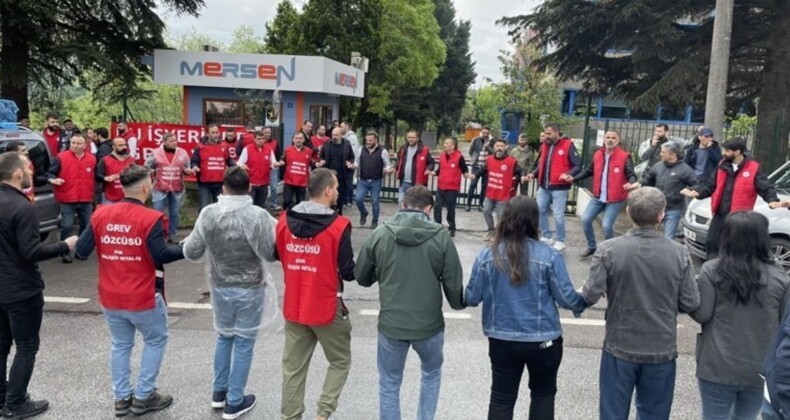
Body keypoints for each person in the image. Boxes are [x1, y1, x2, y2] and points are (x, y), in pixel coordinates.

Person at [74, 164, 185, 417]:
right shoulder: (150, 218)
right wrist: (188, 249)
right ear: (146, 187)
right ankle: (145, 396)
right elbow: (161, 254)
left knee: (120, 345)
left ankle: (121, 398)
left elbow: (81, 252)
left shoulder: (101, 213)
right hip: (143, 295)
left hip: (110, 295)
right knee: (156, 340)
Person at [581, 186, 700, 420]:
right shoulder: (679, 253)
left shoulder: (608, 249)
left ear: (629, 211)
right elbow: (691, 302)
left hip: (619, 345)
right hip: (661, 348)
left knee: (613, 413)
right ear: (661, 215)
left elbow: (589, 295)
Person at [465, 196, 587, 420]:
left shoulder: (486, 255)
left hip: (501, 339)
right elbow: (568, 299)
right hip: (543, 340)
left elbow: (472, 298)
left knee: (502, 397)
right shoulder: (550, 256)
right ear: (534, 220)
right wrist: (585, 299)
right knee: (543, 395)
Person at [355, 185, 465, 420]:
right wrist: (459, 303)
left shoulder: (380, 233)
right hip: (429, 326)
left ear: (403, 205)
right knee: (431, 374)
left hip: (391, 325)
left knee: (389, 384)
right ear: (428, 208)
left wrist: (379, 272)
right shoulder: (441, 236)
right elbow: (453, 285)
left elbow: (362, 277)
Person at [183, 166, 279, 420]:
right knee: (244, 343)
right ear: (249, 187)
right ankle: (235, 401)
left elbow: (191, 251)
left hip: (220, 285)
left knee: (224, 338)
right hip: (251, 287)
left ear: (223, 187)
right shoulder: (258, 216)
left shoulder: (208, 214)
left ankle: (219, 393)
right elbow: (271, 252)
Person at [689, 211, 790, 420]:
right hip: (759, 367)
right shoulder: (781, 277)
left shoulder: (711, 270)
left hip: (717, 365)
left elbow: (702, 314)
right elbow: (783, 324)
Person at [0, 151, 78, 419]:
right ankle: (16, 404)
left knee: (1, 345)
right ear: (18, 173)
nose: (33, 173)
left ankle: (2, 397)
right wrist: (64, 245)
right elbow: (30, 251)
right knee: (26, 346)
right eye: (29, 169)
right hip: (21, 288)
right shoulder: (23, 207)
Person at [275, 168, 355, 420]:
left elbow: (277, 253)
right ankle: (323, 414)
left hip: (295, 305)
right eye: (337, 189)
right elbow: (348, 272)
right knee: (340, 361)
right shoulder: (339, 226)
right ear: (328, 190)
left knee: (293, 369)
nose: (338, 193)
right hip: (326, 307)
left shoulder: (284, 220)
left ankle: (291, 416)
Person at [681, 137, 782, 258]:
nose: (724, 153)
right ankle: (712, 271)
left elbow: (765, 187)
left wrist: (772, 200)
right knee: (711, 243)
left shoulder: (753, 168)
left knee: (734, 248)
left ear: (738, 152)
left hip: (738, 217)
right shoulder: (722, 165)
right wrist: (697, 193)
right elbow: (710, 186)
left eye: (727, 150)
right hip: (720, 213)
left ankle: (730, 273)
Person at [562, 131, 637, 257]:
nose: (610, 140)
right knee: (585, 220)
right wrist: (574, 178)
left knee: (607, 225)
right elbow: (588, 171)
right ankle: (592, 246)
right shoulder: (598, 154)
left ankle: (610, 251)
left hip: (615, 198)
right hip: (598, 196)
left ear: (618, 140)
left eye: (613, 138)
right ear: (604, 139)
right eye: (608, 137)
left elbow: (631, 174)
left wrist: (631, 183)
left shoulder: (624, 156)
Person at [526, 123, 581, 252]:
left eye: (549, 133)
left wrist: (568, 174)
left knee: (558, 214)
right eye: (545, 133)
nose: (546, 136)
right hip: (544, 186)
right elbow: (542, 164)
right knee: (539, 210)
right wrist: (533, 173)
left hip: (560, 187)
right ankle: (546, 236)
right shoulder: (545, 145)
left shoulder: (568, 145)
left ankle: (561, 240)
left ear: (557, 132)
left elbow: (577, 165)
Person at [47, 134, 96, 263]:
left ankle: (81, 250)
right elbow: (50, 173)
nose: (74, 145)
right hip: (67, 198)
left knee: (85, 226)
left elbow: (96, 177)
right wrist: (53, 179)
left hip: (86, 198)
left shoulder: (92, 159)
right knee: (67, 226)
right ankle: (65, 251)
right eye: (73, 143)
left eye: (78, 143)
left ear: (85, 145)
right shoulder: (60, 157)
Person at [470, 139, 528, 241]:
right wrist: (474, 175)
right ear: (494, 147)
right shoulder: (489, 159)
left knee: (500, 217)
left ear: (506, 147)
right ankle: (491, 231)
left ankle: (499, 234)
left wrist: (523, 176)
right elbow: (483, 169)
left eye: (502, 146)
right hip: (490, 193)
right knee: (486, 211)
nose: (499, 148)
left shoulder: (511, 161)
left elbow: (520, 170)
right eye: (497, 146)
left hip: (503, 195)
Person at [638, 141, 697, 240]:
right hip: (656, 207)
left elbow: (696, 184)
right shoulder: (658, 166)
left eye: (663, 152)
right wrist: (640, 184)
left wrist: (691, 190)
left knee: (668, 238)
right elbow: (648, 179)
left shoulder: (685, 169)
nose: (660, 154)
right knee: (648, 235)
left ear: (673, 155)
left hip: (673, 209)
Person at [146, 132, 193, 243]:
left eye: (175, 140)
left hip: (177, 188)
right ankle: (157, 235)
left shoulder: (183, 153)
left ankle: (172, 234)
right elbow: (147, 166)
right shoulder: (155, 153)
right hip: (160, 187)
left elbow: (188, 167)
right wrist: (151, 171)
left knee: (174, 212)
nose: (174, 143)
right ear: (164, 142)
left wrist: (187, 171)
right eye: (171, 141)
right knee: (157, 212)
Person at [432, 136, 470, 237]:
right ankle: (437, 225)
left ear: (452, 146)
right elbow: (440, 169)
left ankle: (452, 226)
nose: (444, 145)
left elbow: (464, 169)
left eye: (447, 143)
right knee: (437, 206)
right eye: (444, 143)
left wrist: (466, 174)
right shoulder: (442, 155)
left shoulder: (459, 157)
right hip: (441, 186)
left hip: (452, 188)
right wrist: (434, 172)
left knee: (450, 208)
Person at [191, 124, 236, 210]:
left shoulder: (224, 145)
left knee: (220, 208)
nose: (216, 134)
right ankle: (204, 224)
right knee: (204, 208)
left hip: (220, 183)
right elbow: (194, 161)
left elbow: (228, 160)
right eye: (213, 133)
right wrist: (195, 167)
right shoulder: (200, 147)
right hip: (204, 184)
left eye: (217, 132)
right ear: (207, 134)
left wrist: (237, 167)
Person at [355, 131, 394, 229]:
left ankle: (375, 220)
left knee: (375, 201)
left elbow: (388, 163)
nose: (368, 142)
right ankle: (364, 212)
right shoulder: (361, 149)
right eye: (367, 140)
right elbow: (357, 161)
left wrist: (387, 168)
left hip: (376, 180)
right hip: (363, 180)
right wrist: (353, 165)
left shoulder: (382, 151)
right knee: (358, 199)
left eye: (370, 140)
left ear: (376, 140)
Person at [317, 127, 355, 215]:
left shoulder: (346, 144)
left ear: (341, 135)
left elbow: (351, 157)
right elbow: (321, 156)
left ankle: (338, 214)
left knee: (339, 197)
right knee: (328, 196)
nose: (334, 137)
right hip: (329, 176)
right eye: (333, 135)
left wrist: (350, 162)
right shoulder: (327, 144)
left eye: (336, 135)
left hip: (342, 176)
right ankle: (328, 214)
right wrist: (321, 161)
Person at [237, 130, 277, 209]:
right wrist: (242, 166)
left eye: (263, 139)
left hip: (264, 184)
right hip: (251, 184)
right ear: (254, 139)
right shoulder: (247, 149)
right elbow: (239, 163)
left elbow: (273, 163)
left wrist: (276, 164)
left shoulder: (269, 149)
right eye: (259, 139)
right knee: (250, 207)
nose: (261, 141)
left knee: (260, 208)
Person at [395, 131, 435, 204]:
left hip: (418, 183)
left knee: (416, 204)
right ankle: (405, 215)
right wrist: (395, 168)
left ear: (417, 138)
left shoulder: (424, 149)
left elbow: (431, 162)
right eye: (409, 137)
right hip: (404, 181)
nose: (411, 139)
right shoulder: (403, 148)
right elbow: (399, 161)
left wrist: (428, 169)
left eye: (413, 138)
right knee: (401, 202)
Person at [278, 132, 313, 210]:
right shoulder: (287, 150)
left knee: (300, 204)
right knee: (287, 201)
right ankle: (286, 217)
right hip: (289, 181)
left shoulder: (309, 151)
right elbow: (282, 159)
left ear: (304, 140)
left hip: (302, 182)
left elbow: (312, 162)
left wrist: (317, 163)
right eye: (296, 138)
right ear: (293, 140)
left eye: (300, 138)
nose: (298, 140)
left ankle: (297, 219)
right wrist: (281, 162)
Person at [96, 137, 135, 204]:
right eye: (120, 145)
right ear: (113, 147)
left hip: (127, 197)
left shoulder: (131, 160)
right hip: (110, 197)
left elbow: (136, 175)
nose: (124, 147)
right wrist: (105, 178)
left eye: (125, 145)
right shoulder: (105, 160)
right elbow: (97, 174)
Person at [466, 126, 494, 211]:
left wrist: (487, 147)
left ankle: (481, 205)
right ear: (481, 132)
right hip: (476, 167)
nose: (485, 134)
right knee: (472, 185)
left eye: (487, 133)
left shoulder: (492, 141)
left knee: (484, 187)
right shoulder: (476, 139)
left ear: (489, 133)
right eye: (484, 133)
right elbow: (470, 151)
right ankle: (468, 204)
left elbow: (494, 153)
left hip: (487, 168)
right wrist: (474, 158)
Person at [340, 121, 360, 207]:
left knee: (348, 182)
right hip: (344, 163)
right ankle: (345, 199)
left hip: (349, 164)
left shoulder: (352, 137)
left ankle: (349, 200)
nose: (341, 128)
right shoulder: (344, 137)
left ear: (347, 127)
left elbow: (354, 151)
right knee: (345, 182)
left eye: (342, 126)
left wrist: (352, 163)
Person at [263, 127, 283, 210]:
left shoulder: (275, 142)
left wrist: (277, 163)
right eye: (266, 132)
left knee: (274, 187)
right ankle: (262, 203)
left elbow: (279, 154)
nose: (267, 134)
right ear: (262, 133)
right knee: (262, 187)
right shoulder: (260, 142)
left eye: (269, 132)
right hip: (262, 168)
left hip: (273, 169)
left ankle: (273, 203)